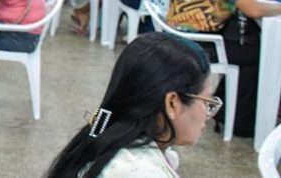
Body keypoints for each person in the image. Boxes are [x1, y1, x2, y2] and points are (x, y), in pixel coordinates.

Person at [47, 33, 216, 178]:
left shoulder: (102, 135)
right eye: (207, 102)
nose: (209, 115)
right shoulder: (141, 171)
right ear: (172, 103)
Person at [167, 0, 281, 137]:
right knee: (256, 56)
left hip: (179, 36)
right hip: (201, 43)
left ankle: (228, 110)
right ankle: (242, 121)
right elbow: (253, 9)